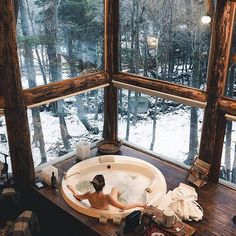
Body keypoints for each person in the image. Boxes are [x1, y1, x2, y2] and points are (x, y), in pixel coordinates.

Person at [67, 174, 147, 210]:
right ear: (104, 185)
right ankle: (125, 187)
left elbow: (77, 196)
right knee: (115, 188)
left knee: (114, 190)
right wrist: (139, 204)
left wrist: (72, 189)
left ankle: (120, 192)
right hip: (110, 207)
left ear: (93, 185)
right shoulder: (107, 197)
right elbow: (123, 207)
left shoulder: (89, 194)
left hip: (97, 207)